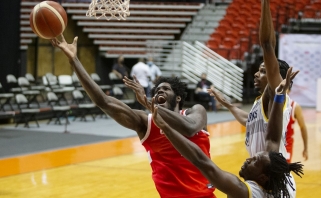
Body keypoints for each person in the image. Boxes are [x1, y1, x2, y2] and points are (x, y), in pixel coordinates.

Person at [51, 36, 216, 198]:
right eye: (157, 90)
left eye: (166, 89)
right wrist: (74, 61)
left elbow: (189, 128)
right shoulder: (146, 123)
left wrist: (149, 104)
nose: (160, 91)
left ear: (178, 97)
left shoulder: (196, 111)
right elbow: (104, 101)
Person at [151, 67, 303, 198]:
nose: (249, 159)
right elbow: (273, 138)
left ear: (262, 178)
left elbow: (200, 160)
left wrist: (165, 126)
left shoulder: (242, 191)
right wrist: (279, 96)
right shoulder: (283, 186)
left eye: (254, 161)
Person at [208, 1, 297, 197]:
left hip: (272, 176)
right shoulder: (260, 103)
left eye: (264, 71)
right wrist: (228, 104)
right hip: (263, 174)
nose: (257, 74)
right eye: (257, 70)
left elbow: (267, 45)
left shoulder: (275, 96)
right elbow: (249, 120)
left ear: (276, 77)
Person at [286, 87, 308, 163]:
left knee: (282, 171)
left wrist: (305, 148)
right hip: (273, 145)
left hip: (286, 146)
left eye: (285, 88)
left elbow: (303, 127)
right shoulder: (272, 104)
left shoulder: (295, 107)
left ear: (289, 90)